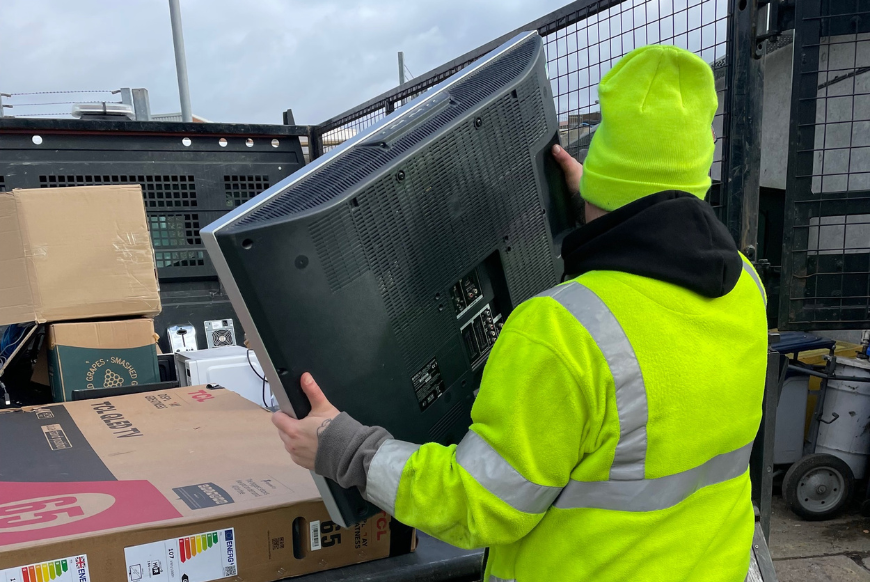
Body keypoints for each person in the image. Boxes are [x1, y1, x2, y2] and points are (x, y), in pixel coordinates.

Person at [272, 44, 767, 581]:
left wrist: (344, 449)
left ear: (600, 174)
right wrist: (605, 202)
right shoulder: (745, 285)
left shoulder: (563, 329)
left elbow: (477, 505)